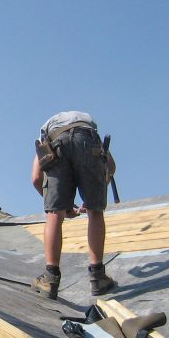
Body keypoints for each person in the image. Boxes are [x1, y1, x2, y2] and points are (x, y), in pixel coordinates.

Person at [30, 111, 117, 300]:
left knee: (54, 215)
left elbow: (36, 178)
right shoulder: (88, 126)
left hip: (56, 143)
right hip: (87, 140)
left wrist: (58, 205)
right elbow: (111, 166)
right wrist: (94, 197)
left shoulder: (45, 135)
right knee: (96, 212)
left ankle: (50, 278)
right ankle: (98, 277)